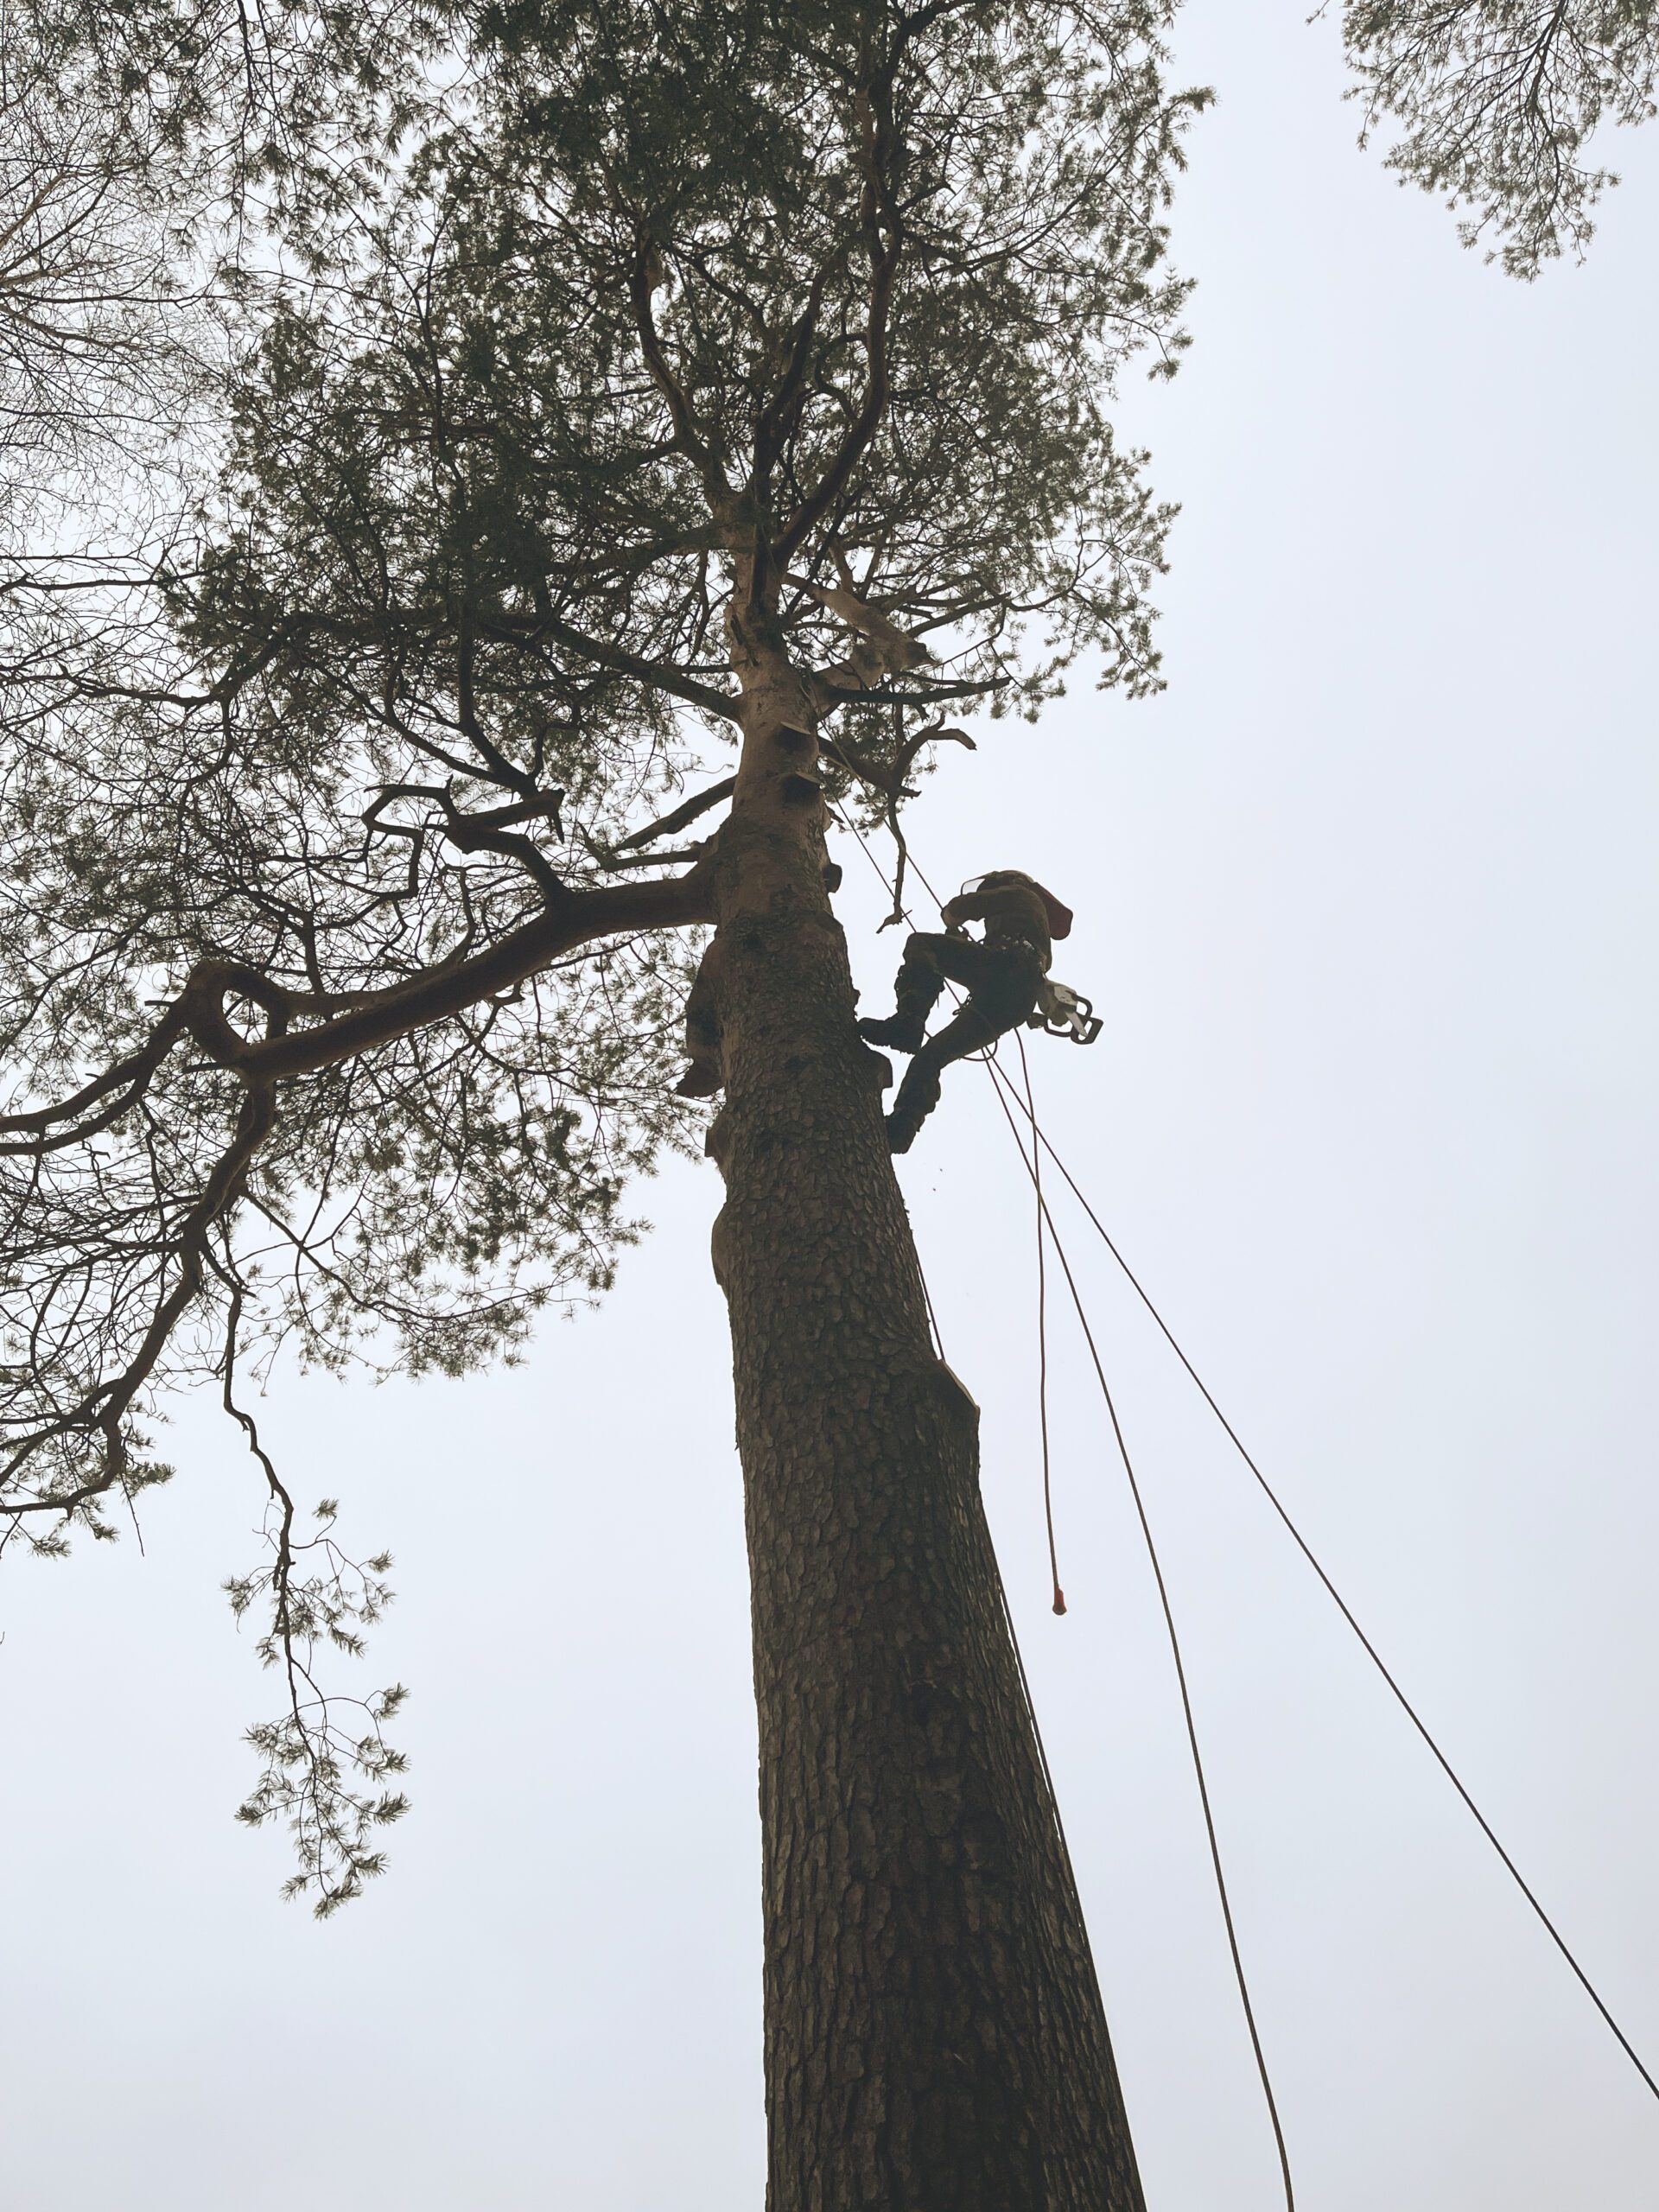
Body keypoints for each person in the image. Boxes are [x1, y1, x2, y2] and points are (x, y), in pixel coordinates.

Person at [858, 870, 1074, 1153]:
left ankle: (908, 1022)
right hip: (1016, 999)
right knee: (932, 1056)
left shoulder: (1021, 894)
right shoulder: (1033, 927)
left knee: (921, 945)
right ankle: (902, 1128)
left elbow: (960, 909)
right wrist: (965, 945)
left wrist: (952, 917)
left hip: (1005, 968)